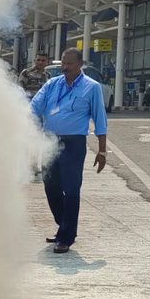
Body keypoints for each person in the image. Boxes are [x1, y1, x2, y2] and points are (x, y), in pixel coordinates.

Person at [30, 48, 109, 254]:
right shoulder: (51, 84)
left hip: (73, 144)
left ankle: (66, 236)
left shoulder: (92, 88)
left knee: (72, 190)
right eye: (63, 63)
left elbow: (100, 119)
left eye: (69, 64)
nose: (65, 67)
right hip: (50, 142)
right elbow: (33, 108)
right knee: (50, 187)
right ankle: (63, 225)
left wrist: (102, 151)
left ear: (80, 64)